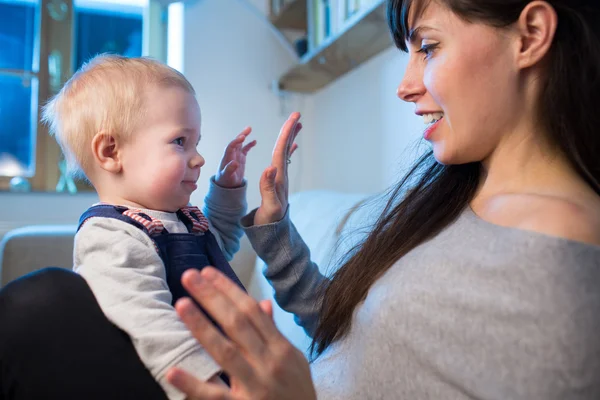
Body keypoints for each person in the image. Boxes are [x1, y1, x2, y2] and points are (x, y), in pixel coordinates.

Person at [0, 0, 599, 399]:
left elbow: (215, 237)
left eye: (430, 46)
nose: (405, 83)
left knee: (37, 304)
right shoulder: (437, 202)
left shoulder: (563, 280)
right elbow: (335, 322)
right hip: (211, 374)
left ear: (531, 35)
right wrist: (274, 224)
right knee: (43, 301)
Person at [42, 54, 256, 399]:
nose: (199, 158)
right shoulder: (110, 235)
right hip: (177, 384)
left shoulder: (181, 218)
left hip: (230, 369)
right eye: (179, 142)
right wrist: (206, 386)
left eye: (196, 142)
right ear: (111, 151)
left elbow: (222, 240)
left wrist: (228, 188)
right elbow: (152, 326)